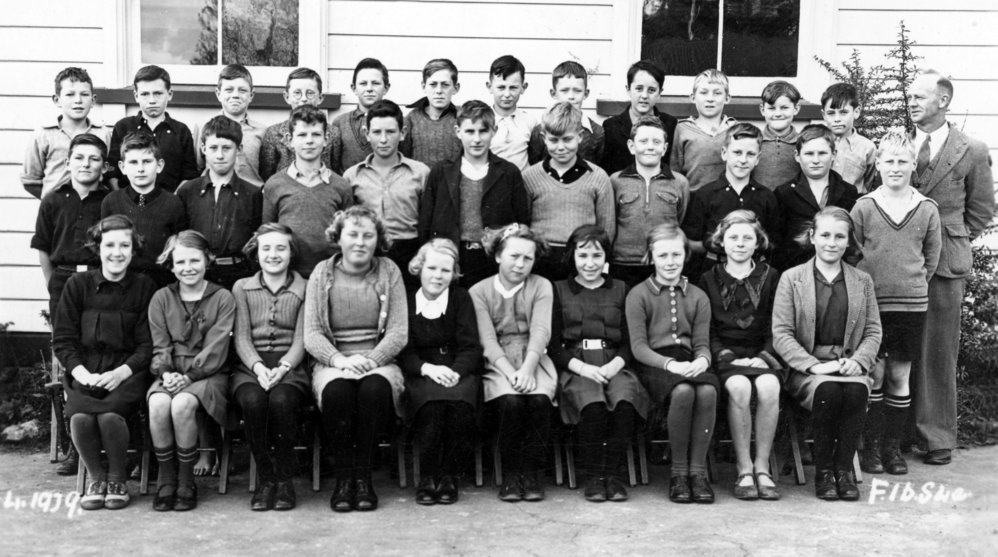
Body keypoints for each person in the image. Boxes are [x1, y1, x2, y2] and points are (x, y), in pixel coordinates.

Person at [908, 70, 994, 466]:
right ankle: (898, 433)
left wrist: (950, 239)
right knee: (897, 347)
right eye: (909, 95)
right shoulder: (898, 144)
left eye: (921, 96)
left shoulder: (971, 150)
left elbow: (980, 212)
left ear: (943, 101)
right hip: (900, 261)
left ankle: (938, 437)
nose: (912, 102)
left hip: (945, 264)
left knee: (939, 351)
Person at [772, 207, 882, 501]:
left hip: (848, 364)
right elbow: (782, 334)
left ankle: (843, 471)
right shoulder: (791, 279)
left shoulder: (862, 281)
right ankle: (823, 473)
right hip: (809, 370)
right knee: (829, 391)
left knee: (857, 392)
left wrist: (858, 362)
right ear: (812, 237)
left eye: (839, 236)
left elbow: (873, 331)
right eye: (825, 235)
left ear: (848, 242)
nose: (831, 242)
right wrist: (812, 366)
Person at [304, 206, 408, 513]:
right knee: (338, 393)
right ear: (338, 238)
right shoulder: (322, 272)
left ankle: (363, 478)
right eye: (352, 234)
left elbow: (399, 331)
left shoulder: (389, 270)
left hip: (379, 360)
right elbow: (311, 333)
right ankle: (343, 479)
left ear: (378, 239)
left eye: (368, 235)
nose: (360, 242)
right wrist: (339, 361)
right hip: (334, 362)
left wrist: (372, 360)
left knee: (374, 390)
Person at [52, 215, 157, 510]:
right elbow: (63, 340)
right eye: (109, 245)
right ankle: (96, 479)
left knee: (111, 416)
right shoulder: (77, 285)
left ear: (134, 250)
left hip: (128, 372)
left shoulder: (143, 287)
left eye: (125, 245)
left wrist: (121, 373)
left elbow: (147, 344)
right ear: (97, 248)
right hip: (83, 370)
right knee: (81, 417)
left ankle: (117, 479)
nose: (117, 252)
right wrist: (82, 374)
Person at [851, 132, 941, 475]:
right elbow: (855, 251)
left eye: (903, 161)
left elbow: (931, 259)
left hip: (911, 305)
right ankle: (870, 447)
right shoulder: (864, 206)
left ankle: (893, 448)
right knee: (874, 374)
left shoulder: (926, 208)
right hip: (873, 305)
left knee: (899, 375)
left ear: (913, 164)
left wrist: (911, 284)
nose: (896, 167)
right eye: (889, 160)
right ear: (878, 164)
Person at [548, 225, 650, 502]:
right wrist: (581, 368)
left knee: (624, 400)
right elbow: (553, 345)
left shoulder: (621, 288)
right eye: (583, 256)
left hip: (614, 363)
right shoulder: (558, 290)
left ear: (606, 257)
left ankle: (613, 475)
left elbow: (632, 339)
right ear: (572, 257)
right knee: (591, 404)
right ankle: (594, 476)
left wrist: (616, 364)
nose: (590, 263)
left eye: (596, 255)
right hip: (577, 364)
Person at [625, 224, 717, 504]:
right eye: (662, 255)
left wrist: (703, 360)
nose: (670, 262)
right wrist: (670, 366)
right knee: (684, 391)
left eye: (676, 255)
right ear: (650, 257)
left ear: (686, 256)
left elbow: (702, 342)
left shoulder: (698, 295)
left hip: (689, 361)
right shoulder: (638, 294)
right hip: (656, 365)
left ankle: (698, 472)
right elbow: (639, 347)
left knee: (708, 390)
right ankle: (678, 472)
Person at [146, 231, 235, 512]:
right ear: (171, 266)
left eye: (194, 260)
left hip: (209, 374)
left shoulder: (222, 297)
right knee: (159, 403)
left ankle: (186, 482)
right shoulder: (161, 298)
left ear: (207, 260)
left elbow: (218, 347)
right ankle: (166, 479)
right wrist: (166, 372)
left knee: (183, 404)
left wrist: (190, 376)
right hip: (171, 372)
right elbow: (160, 346)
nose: (188, 268)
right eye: (180, 262)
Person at [697, 210, 782, 500]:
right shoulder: (708, 279)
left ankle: (762, 466)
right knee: (739, 387)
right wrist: (726, 356)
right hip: (727, 358)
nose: (740, 243)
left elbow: (778, 323)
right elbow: (706, 328)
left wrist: (764, 356)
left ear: (758, 243)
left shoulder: (772, 277)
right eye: (733, 237)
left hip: (762, 355)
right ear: (722, 242)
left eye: (748, 238)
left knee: (769, 386)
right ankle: (744, 466)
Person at [469, 224, 556, 502]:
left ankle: (531, 474)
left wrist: (528, 369)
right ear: (498, 256)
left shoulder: (541, 286)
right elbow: (487, 340)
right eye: (514, 256)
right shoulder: (479, 291)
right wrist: (511, 372)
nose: (520, 264)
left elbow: (541, 331)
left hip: (535, 356)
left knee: (539, 400)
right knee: (511, 402)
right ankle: (510, 474)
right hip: (498, 361)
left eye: (527, 258)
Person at [230, 223, 310, 511]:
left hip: (291, 366)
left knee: (282, 401)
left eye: (280, 248)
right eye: (266, 248)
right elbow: (241, 336)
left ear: (291, 253)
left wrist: (284, 367)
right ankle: (266, 478)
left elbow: (303, 337)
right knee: (252, 401)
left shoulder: (306, 286)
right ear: (256, 252)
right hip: (251, 367)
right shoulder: (242, 287)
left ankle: (285, 479)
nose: (273, 254)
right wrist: (259, 367)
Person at [400, 239, 483, 505]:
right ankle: (427, 477)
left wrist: (456, 371)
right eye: (432, 268)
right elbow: (404, 349)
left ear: (454, 273)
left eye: (445, 271)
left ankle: (449, 476)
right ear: (418, 268)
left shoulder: (460, 298)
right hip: (422, 370)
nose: (438, 276)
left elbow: (470, 346)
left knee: (459, 406)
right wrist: (427, 368)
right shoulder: (407, 299)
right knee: (431, 408)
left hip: (457, 368)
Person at [418, 101, 530, 288]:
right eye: (470, 131)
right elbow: (426, 221)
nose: (476, 139)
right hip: (452, 257)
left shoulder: (508, 173)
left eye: (483, 131)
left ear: (493, 131)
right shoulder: (441, 172)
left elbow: (521, 221)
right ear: (457, 131)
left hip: (493, 260)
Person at [523, 102, 615, 282]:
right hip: (541, 262)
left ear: (580, 137)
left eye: (567, 139)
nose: (560, 147)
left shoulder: (598, 177)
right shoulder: (529, 177)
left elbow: (607, 228)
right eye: (554, 140)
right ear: (543, 138)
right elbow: (523, 224)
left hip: (581, 260)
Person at [344, 100, 429, 290]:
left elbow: (428, 221)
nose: (383, 140)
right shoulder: (352, 176)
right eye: (377, 132)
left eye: (390, 132)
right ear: (367, 134)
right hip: (368, 251)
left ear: (403, 133)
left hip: (410, 252)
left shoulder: (420, 173)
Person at [262, 105, 354, 278]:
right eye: (302, 135)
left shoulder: (341, 186)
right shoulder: (274, 184)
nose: (309, 141)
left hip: (330, 275)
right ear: (289, 140)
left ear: (326, 139)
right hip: (288, 276)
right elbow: (268, 234)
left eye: (316, 134)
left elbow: (347, 236)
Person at [681, 123, 779, 281]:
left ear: (758, 158)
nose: (743, 160)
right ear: (724, 153)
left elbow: (773, 241)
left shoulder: (766, 197)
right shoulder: (705, 195)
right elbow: (692, 241)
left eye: (750, 154)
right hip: (714, 271)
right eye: (737, 152)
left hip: (756, 273)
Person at [176, 116, 262, 289]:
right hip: (198, 276)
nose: (220, 155)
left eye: (227, 148)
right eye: (213, 148)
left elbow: (256, 242)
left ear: (239, 149)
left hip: (239, 277)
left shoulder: (253, 194)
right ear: (203, 149)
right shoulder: (187, 191)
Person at [610, 115, 689, 289]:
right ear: (632, 146)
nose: (650, 147)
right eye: (643, 141)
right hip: (623, 264)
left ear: (665, 148)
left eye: (656, 142)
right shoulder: (616, 181)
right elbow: (610, 221)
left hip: (662, 263)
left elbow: (680, 219)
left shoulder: (679, 182)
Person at [101, 131, 187, 287]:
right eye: (133, 162)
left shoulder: (173, 203)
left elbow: (178, 251)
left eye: (147, 161)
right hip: (121, 285)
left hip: (160, 285)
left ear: (159, 165)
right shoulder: (111, 201)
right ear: (122, 167)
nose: (140, 169)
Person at [773, 124, 859, 270]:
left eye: (822, 153)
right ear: (797, 156)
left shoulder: (848, 192)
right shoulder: (784, 194)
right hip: (796, 271)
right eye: (809, 154)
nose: (815, 160)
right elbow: (777, 243)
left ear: (833, 154)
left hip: (838, 271)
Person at [21, 67, 111, 199]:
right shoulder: (43, 135)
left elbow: (108, 176)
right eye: (70, 94)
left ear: (93, 100)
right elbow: (30, 182)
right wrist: (54, 201)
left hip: (92, 210)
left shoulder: (103, 134)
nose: (78, 100)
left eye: (84, 94)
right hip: (56, 213)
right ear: (57, 100)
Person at [107, 65, 198, 193]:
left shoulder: (181, 131)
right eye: (145, 94)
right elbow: (112, 171)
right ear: (136, 96)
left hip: (170, 205)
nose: (152, 100)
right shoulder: (123, 127)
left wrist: (173, 200)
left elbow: (189, 175)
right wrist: (121, 199)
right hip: (128, 205)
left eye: (158, 93)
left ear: (170, 94)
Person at [189, 64, 266, 187]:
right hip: (214, 197)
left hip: (251, 199)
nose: (235, 95)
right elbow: (197, 167)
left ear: (251, 95)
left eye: (242, 90)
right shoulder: (203, 126)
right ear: (218, 93)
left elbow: (266, 172)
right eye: (229, 90)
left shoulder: (262, 132)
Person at [601, 60, 678, 175]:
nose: (644, 96)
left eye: (651, 90)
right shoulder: (611, 126)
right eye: (639, 89)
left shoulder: (670, 124)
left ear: (659, 93)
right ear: (628, 89)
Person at [259, 67, 333, 181]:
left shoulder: (333, 133)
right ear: (287, 97)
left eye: (310, 93)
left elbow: (334, 172)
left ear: (320, 98)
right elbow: (267, 176)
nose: (304, 99)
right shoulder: (273, 133)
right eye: (297, 93)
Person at [670, 69, 736, 192]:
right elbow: (675, 171)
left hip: (727, 199)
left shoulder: (735, 129)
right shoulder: (683, 129)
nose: (710, 99)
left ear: (727, 98)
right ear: (693, 97)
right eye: (704, 92)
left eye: (717, 93)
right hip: (694, 199)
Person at [528, 61, 605, 165]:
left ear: (586, 94)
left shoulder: (597, 132)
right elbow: (534, 165)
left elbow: (598, 167)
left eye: (577, 91)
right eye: (564, 90)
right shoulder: (541, 130)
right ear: (553, 93)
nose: (571, 96)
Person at [330, 58, 391, 174]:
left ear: (386, 88)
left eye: (376, 83)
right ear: (354, 88)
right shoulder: (340, 123)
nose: (369, 89)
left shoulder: (397, 122)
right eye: (363, 83)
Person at [400, 58, 462, 168]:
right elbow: (403, 159)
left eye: (445, 85)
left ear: (455, 88)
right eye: (433, 84)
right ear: (424, 86)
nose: (438, 90)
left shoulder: (462, 118)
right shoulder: (411, 119)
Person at [821, 83, 877, 194]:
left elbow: (868, 183)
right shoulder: (818, 143)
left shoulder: (867, 148)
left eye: (843, 112)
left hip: (853, 207)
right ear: (824, 115)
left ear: (856, 112)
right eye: (831, 113)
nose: (837, 119)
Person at [487, 55, 536, 171]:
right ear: (490, 87)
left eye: (513, 88)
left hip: (522, 185)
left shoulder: (530, 121)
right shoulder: (481, 120)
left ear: (523, 88)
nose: (507, 94)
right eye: (501, 87)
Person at [752, 80, 803, 190]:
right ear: (762, 110)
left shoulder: (804, 142)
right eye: (771, 108)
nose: (778, 114)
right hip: (759, 204)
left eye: (784, 108)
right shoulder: (753, 141)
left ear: (796, 109)